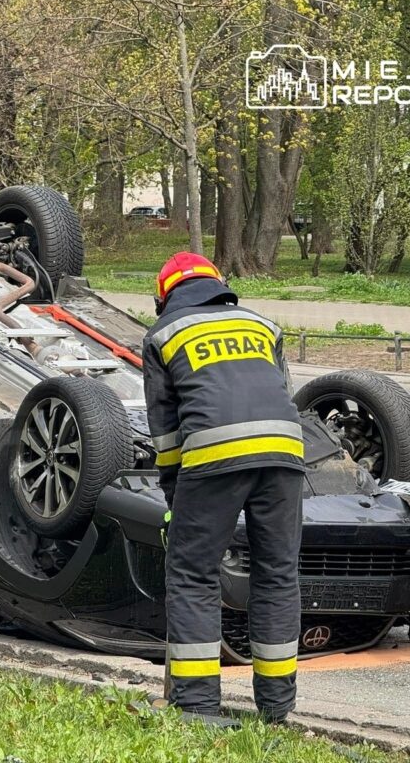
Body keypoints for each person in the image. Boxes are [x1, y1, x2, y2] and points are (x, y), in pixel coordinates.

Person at [142, 252, 305, 722]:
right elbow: (277, 392)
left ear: (163, 297)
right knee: (277, 573)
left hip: (212, 456)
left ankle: (196, 705)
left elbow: (167, 432)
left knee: (193, 573)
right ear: (220, 284)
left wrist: (177, 499)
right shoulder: (262, 326)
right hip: (284, 452)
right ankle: (277, 708)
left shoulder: (164, 335)